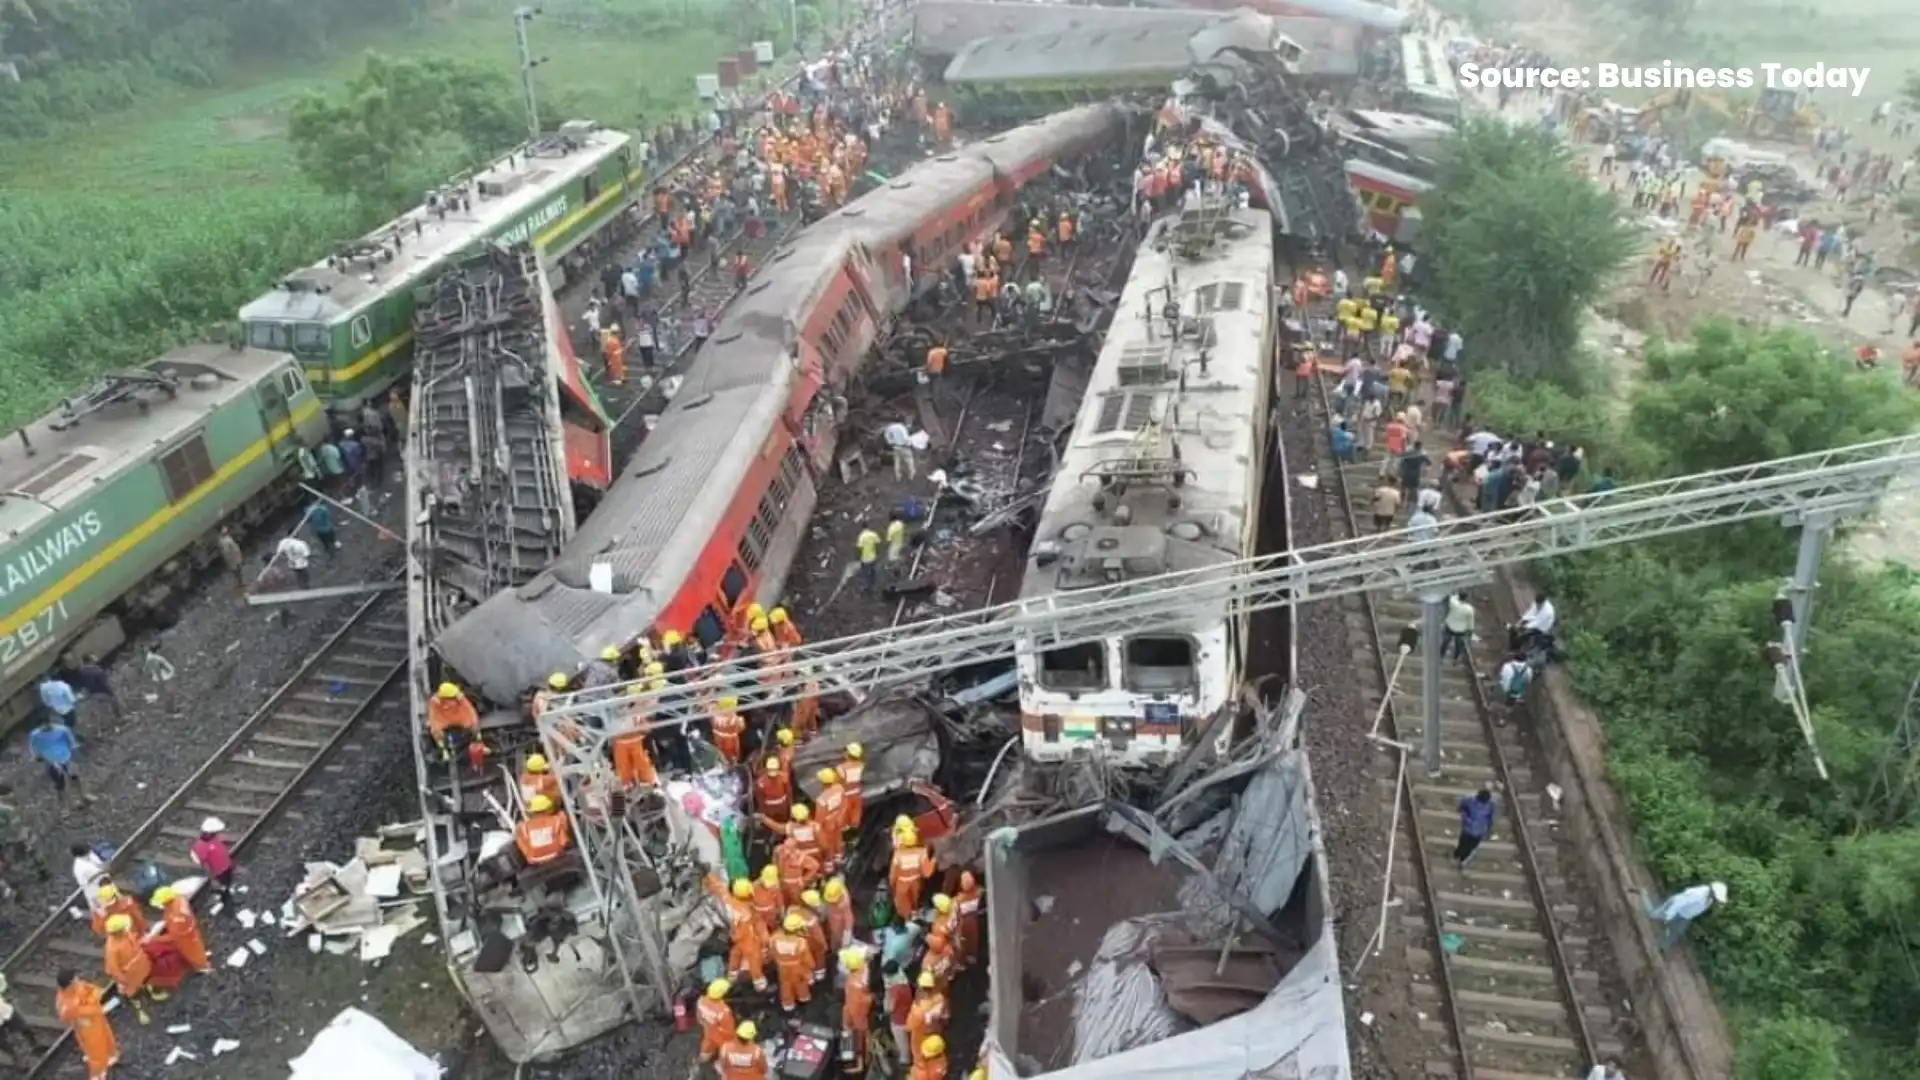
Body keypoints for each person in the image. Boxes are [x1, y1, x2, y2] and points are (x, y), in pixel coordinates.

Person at [54, 971, 117, 1080]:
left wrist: (91, 1001)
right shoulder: (66, 1003)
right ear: (69, 984)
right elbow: (67, 1015)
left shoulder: (77, 988)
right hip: (86, 1026)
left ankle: (108, 1058)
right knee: (95, 1049)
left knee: (104, 1040)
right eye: (74, 980)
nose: (78, 980)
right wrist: (91, 1003)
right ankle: (98, 1073)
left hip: (91, 1022)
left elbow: (95, 991)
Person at [103, 913, 161, 1024]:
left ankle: (153, 992)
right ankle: (140, 1011)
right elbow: (113, 969)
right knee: (135, 994)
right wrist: (124, 981)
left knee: (147, 979)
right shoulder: (112, 949)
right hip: (129, 975)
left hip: (141, 966)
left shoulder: (126, 934)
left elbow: (134, 942)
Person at [1638, 880, 1727, 949]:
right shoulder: (1698, 894)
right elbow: (1679, 901)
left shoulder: (1709, 899)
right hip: (1675, 907)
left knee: (1676, 931)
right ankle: (1643, 893)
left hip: (1685, 916)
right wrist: (1669, 914)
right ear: (1713, 892)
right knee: (1652, 914)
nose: (1716, 900)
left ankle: (1661, 947)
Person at [29, 715, 92, 806]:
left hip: (66, 757)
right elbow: (33, 748)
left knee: (75, 778)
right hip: (51, 761)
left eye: (46, 724)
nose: (45, 727)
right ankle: (65, 806)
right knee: (59, 784)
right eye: (42, 726)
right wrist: (38, 757)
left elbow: (72, 743)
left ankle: (83, 796)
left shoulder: (62, 730)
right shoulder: (35, 735)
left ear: (50, 722)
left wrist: (73, 756)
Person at [152, 885, 209, 973]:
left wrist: (155, 939)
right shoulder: (179, 901)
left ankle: (203, 966)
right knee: (198, 947)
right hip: (191, 933)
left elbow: (173, 936)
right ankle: (203, 959)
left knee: (193, 953)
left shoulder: (175, 916)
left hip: (185, 939)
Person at [770, 912, 815, 1011]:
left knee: (785, 985)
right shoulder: (800, 942)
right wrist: (811, 967)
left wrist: (777, 962)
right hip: (798, 968)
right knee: (801, 984)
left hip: (782, 968)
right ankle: (803, 999)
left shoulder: (774, 938)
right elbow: (807, 959)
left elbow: (772, 953)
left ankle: (788, 1004)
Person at [840, 946, 875, 1074]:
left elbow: (859, 1002)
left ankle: (863, 1063)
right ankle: (862, 1061)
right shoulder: (861, 970)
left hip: (857, 1014)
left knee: (860, 1038)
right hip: (856, 1011)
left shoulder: (853, 983)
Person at [427, 682, 481, 762]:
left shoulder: (459, 696)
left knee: (472, 724)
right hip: (443, 719)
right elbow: (433, 717)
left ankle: (477, 742)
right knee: (434, 731)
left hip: (459, 717)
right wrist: (437, 732)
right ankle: (442, 751)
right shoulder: (435, 702)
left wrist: (475, 727)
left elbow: (469, 710)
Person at [190, 818, 237, 906]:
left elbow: (223, 853)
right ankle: (224, 902)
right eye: (215, 832)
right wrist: (213, 879)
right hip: (218, 873)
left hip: (226, 868)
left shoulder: (215, 838)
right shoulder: (201, 846)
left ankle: (227, 898)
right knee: (221, 887)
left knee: (227, 884)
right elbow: (205, 865)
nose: (217, 834)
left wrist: (232, 865)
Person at [515, 795, 572, 865]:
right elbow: (565, 842)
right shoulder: (557, 820)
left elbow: (523, 847)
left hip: (535, 860)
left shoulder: (522, 827)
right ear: (548, 808)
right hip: (556, 855)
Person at [698, 978, 737, 1064]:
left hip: (709, 1030)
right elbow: (729, 1030)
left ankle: (703, 1059)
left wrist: (704, 1024)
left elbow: (700, 1017)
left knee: (707, 1045)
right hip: (721, 1035)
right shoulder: (723, 1011)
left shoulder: (701, 1000)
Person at [1455, 788, 1495, 867]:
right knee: (1469, 847)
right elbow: (1490, 819)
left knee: (1463, 845)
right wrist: (1489, 830)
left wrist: (1465, 818)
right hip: (1478, 831)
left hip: (1469, 829)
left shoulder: (1469, 801)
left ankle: (1458, 858)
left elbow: (1461, 808)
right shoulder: (1490, 806)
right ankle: (1461, 860)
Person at [72, 656, 121, 720]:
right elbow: (103, 684)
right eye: (93, 658)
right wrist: (111, 692)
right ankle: (117, 716)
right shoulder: (97, 670)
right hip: (100, 693)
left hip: (90, 695)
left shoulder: (81, 671)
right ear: (90, 661)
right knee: (114, 697)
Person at [1442, 594, 1475, 662]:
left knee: (1445, 642)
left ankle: (1441, 655)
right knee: (1458, 645)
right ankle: (1455, 658)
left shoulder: (1453, 602)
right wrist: (1470, 632)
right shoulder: (1469, 609)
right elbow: (1470, 622)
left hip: (1450, 625)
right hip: (1461, 629)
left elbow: (1451, 597)